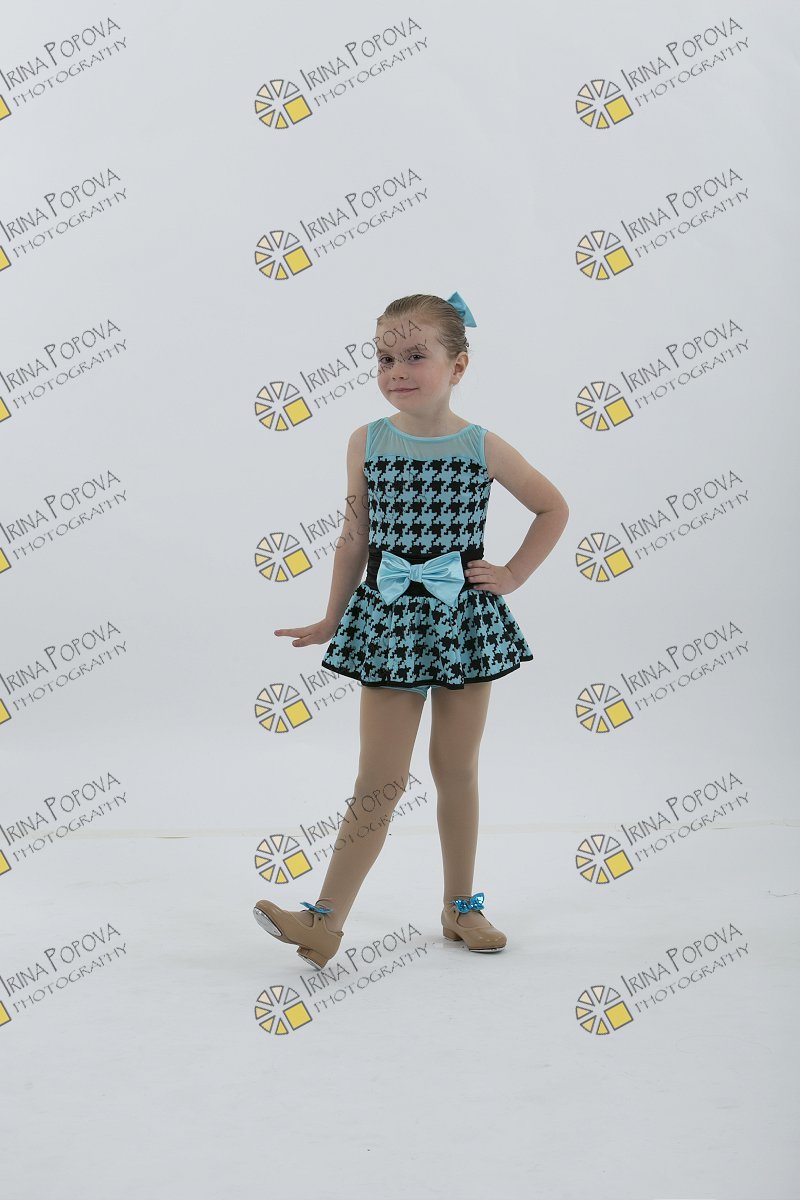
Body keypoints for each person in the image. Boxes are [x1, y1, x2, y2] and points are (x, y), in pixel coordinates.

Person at [254, 291, 569, 969]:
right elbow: (354, 537)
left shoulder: (481, 445)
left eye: (415, 355)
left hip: (464, 619)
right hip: (389, 621)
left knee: (455, 768)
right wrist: (332, 617)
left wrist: (512, 574)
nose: (396, 370)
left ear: (458, 366)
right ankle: (324, 921)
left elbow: (552, 507)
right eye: (384, 358)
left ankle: (461, 907)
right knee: (380, 779)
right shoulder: (367, 440)